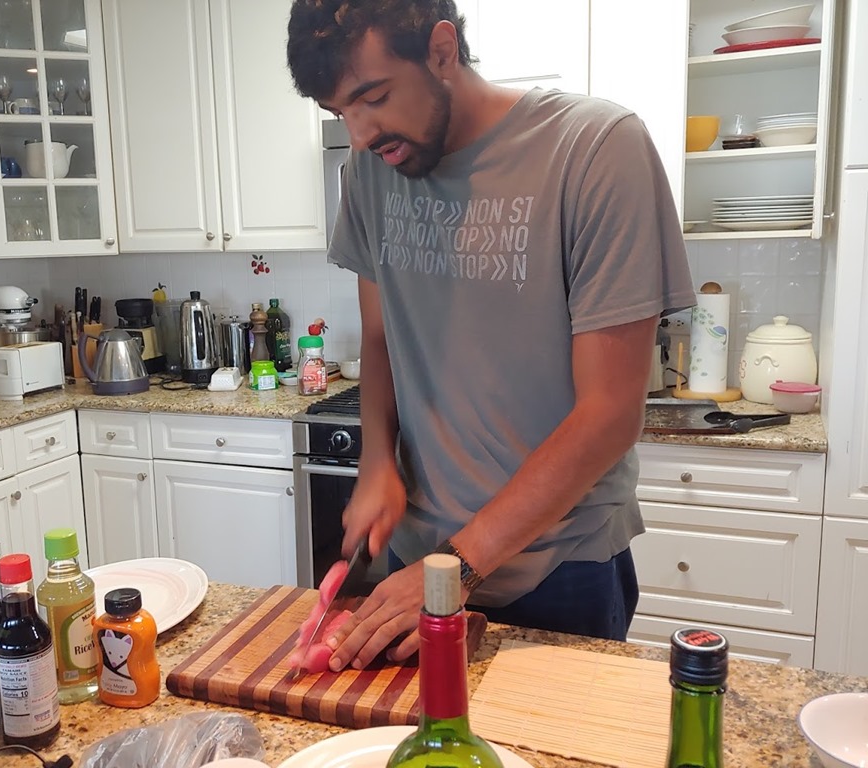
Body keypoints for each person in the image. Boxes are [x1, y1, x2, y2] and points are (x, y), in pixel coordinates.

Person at [286, 0, 696, 673]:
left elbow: (610, 414)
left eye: (374, 98)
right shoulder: (371, 172)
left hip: (560, 567)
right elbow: (381, 338)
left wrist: (456, 567)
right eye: (339, 112)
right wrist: (378, 461)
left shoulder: (596, 149)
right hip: (415, 560)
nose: (359, 135)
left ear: (442, 50)